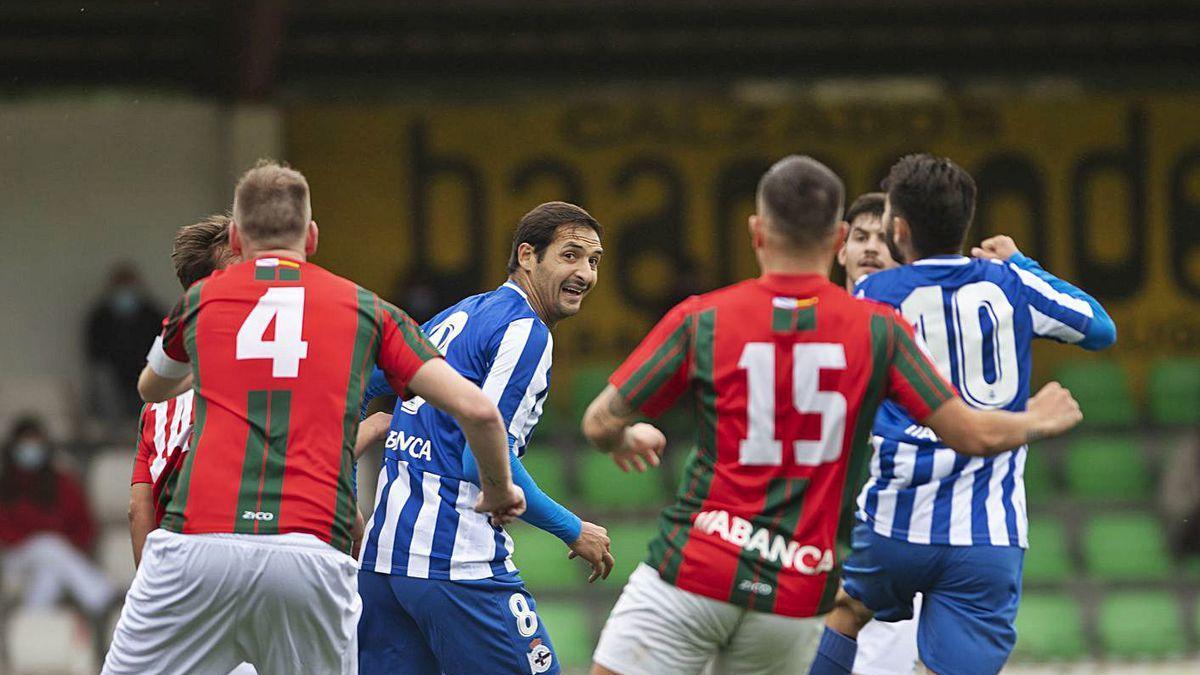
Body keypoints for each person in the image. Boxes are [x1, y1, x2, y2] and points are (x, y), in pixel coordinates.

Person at [581, 155, 1085, 675]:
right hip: (794, 591)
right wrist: (1035, 418)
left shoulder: (702, 317)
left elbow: (599, 421)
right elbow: (970, 433)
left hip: (693, 568)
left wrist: (622, 438)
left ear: (757, 232)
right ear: (840, 237)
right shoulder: (879, 330)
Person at [104, 160, 525, 675]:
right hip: (309, 552)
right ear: (313, 236)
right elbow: (480, 411)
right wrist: (499, 488)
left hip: (196, 546)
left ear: (236, 238)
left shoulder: (200, 301)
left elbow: (151, 387)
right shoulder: (369, 309)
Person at [811, 154, 1117, 675]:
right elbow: (1099, 327)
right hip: (987, 536)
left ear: (899, 229)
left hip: (895, 522)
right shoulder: (1009, 283)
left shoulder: (872, 295)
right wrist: (1022, 263)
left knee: (845, 612)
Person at [357, 201, 613, 675]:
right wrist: (573, 529)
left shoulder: (464, 312)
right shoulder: (526, 331)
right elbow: (482, 461)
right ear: (528, 255)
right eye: (571, 255)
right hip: (457, 566)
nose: (585, 273)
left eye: (594, 261)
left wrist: (361, 441)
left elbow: (367, 381)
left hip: (382, 565)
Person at [835, 192, 922, 675]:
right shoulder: (811, 331)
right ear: (838, 250)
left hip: (894, 532)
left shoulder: (921, 335)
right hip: (812, 542)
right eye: (859, 237)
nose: (870, 248)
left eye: (884, 239)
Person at [0, 416, 115, 618]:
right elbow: (6, 535)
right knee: (49, 545)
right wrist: (45, 535)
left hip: (56, 556)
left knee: (50, 573)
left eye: (35, 444)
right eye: (24, 444)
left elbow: (84, 526)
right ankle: (104, 599)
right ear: (13, 448)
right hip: (13, 560)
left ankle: (28, 625)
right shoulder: (5, 485)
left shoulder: (63, 482)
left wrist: (65, 542)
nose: (30, 450)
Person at [85, 262, 166, 420]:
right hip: (113, 376)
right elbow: (94, 354)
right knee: (103, 383)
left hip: (145, 371)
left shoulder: (152, 314)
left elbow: (165, 346)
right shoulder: (100, 317)